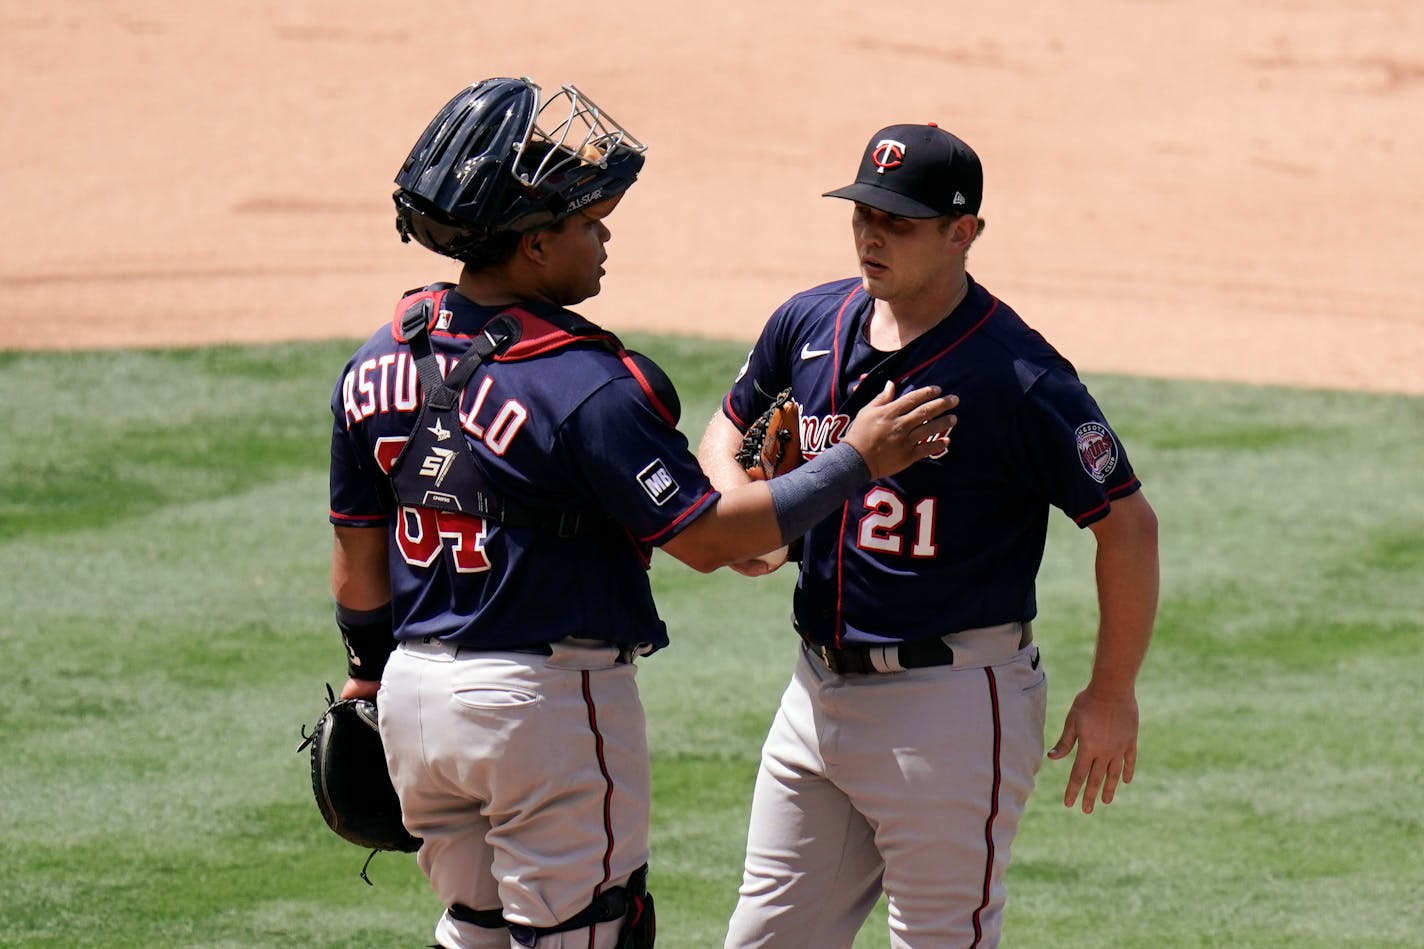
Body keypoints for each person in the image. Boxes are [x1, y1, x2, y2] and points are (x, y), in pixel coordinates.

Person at [325, 78, 958, 949]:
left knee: (471, 929)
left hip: (412, 701)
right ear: (537, 245)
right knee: (592, 932)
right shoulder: (586, 384)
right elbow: (703, 538)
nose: (605, 234)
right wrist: (858, 459)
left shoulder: (373, 363)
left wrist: (366, 674)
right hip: (538, 708)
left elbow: (357, 556)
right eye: (588, 224)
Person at [697, 122, 1160, 947]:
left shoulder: (1017, 376)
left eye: (899, 223)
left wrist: (1112, 692)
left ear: (963, 233)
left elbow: (1127, 525)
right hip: (813, 692)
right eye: (863, 214)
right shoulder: (807, 322)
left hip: (948, 707)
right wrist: (746, 518)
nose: (872, 235)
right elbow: (727, 427)